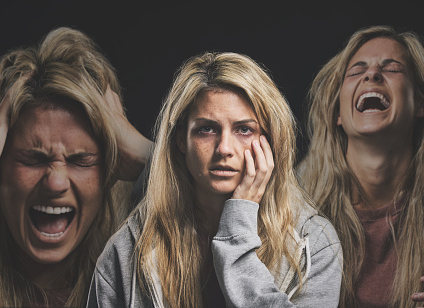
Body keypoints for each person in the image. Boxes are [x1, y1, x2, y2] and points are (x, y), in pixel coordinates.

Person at [87, 51, 343, 308]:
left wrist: (237, 232)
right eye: (206, 129)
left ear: (271, 141)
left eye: (244, 129)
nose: (224, 148)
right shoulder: (128, 249)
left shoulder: (314, 243)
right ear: (180, 140)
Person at [0, 27, 152, 307]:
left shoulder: (140, 284)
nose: (55, 183)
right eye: (32, 159)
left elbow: (215, 226)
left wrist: (147, 158)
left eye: (81, 160)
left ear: (110, 171)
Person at [297, 25, 424, 307]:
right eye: (356, 71)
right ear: (338, 112)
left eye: (392, 68)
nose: (372, 74)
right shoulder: (293, 203)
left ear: (422, 104)